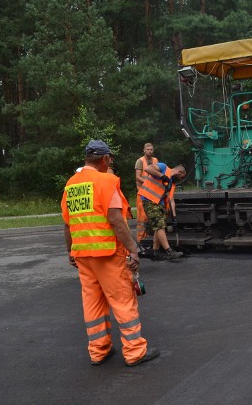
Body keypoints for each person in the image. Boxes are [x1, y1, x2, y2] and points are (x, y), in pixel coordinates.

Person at [61, 139, 159, 367]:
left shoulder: (71, 184)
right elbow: (116, 219)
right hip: (107, 253)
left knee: (93, 302)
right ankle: (135, 351)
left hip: (83, 255)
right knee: (123, 300)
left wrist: (71, 252)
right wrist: (134, 249)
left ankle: (99, 350)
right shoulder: (106, 181)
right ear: (104, 159)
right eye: (110, 159)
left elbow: (67, 224)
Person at [139, 162, 186, 261]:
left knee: (159, 227)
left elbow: (171, 199)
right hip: (149, 199)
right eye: (182, 177)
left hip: (159, 203)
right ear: (179, 172)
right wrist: (162, 176)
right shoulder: (163, 167)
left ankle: (155, 252)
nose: (181, 179)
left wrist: (174, 217)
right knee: (159, 225)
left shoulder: (172, 183)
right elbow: (147, 168)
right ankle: (169, 251)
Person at [135, 143, 158, 242]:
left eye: (151, 149)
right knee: (142, 218)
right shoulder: (140, 161)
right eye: (148, 149)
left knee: (151, 216)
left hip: (152, 193)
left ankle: (150, 238)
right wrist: (148, 183)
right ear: (144, 150)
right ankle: (141, 239)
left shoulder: (155, 160)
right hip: (142, 192)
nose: (150, 151)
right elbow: (137, 176)